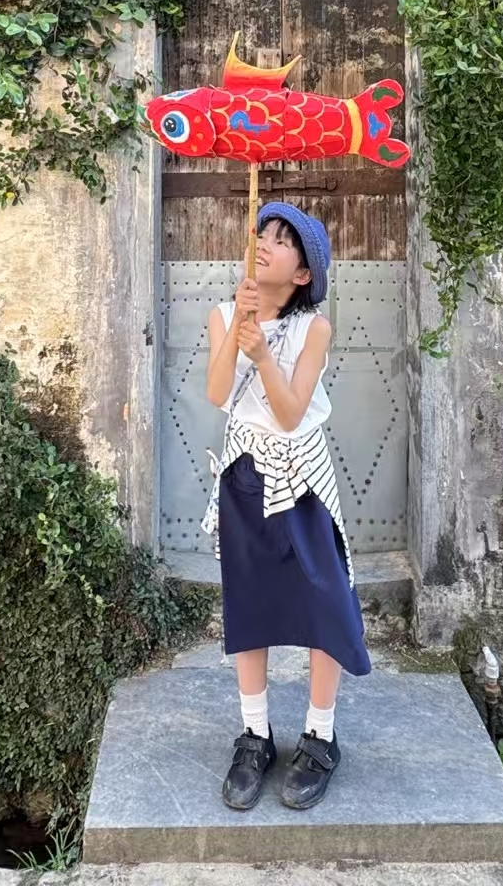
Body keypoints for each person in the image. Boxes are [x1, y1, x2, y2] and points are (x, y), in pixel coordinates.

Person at [201, 202, 370, 812]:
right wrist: (240, 328)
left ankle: (321, 736)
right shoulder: (224, 315)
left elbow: (293, 413)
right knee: (250, 600)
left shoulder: (312, 328)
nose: (266, 242)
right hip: (244, 471)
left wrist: (265, 355)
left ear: (302, 273)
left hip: (302, 479)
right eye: (262, 234)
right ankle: (255, 735)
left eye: (282, 239)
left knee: (325, 598)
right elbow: (218, 393)